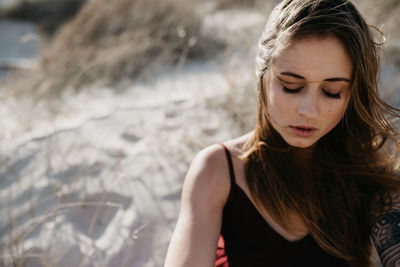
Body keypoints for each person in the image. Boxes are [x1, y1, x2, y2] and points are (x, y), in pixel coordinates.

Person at [164, 0, 400, 266]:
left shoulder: (371, 170)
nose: (309, 110)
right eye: (291, 87)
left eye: (332, 91)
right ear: (262, 75)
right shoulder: (217, 170)